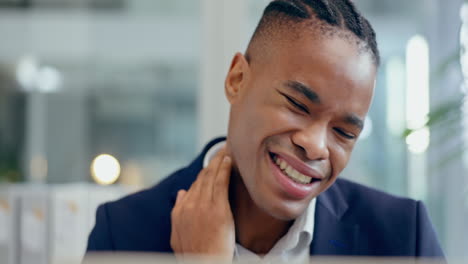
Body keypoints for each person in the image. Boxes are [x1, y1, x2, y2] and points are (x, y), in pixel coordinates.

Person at [86, 0, 445, 262]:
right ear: (237, 79)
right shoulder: (124, 233)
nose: (316, 146)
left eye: (344, 132)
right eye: (298, 105)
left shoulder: (401, 237)